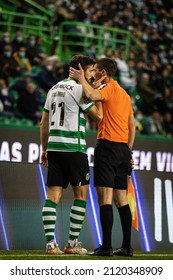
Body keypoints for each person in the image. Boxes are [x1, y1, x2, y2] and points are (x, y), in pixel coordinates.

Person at [69, 57, 136, 256]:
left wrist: (82, 79)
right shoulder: (125, 94)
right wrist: (128, 150)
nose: (94, 72)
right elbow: (132, 124)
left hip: (107, 148)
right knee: (122, 200)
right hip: (123, 149)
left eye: (96, 70)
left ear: (104, 73)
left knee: (104, 199)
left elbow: (92, 94)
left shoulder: (109, 88)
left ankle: (106, 247)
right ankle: (127, 247)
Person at [40, 55, 103, 255]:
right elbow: (99, 116)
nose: (93, 74)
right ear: (81, 70)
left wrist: (44, 149)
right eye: (92, 70)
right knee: (81, 194)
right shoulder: (79, 89)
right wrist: (97, 92)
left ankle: (50, 244)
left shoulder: (53, 88)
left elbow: (43, 123)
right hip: (74, 149)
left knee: (53, 196)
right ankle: (72, 243)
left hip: (54, 148)